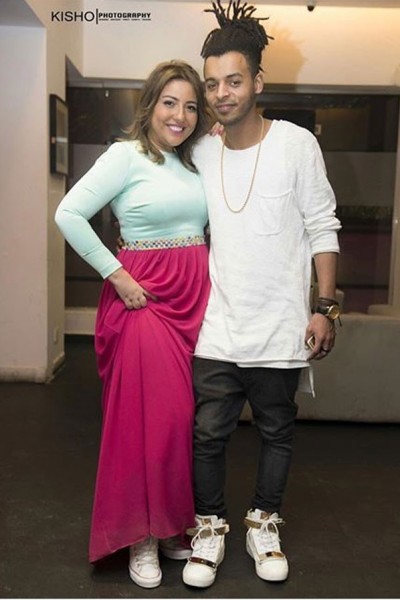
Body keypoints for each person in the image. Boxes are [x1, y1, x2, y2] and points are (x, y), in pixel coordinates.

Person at [181, 0, 342, 588]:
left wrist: (325, 308)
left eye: (234, 80)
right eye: (212, 84)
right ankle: (209, 527)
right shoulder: (201, 150)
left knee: (277, 431)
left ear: (257, 82)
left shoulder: (296, 145)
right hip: (218, 327)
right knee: (207, 435)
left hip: (279, 327)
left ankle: (263, 523)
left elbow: (323, 226)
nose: (221, 93)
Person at [55, 60, 211, 589]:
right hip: (144, 300)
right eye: (170, 102)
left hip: (192, 302)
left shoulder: (193, 162)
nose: (179, 115)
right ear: (149, 104)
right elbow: (68, 214)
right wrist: (117, 275)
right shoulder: (125, 156)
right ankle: (139, 535)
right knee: (150, 420)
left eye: (190, 106)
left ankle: (168, 525)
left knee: (179, 422)